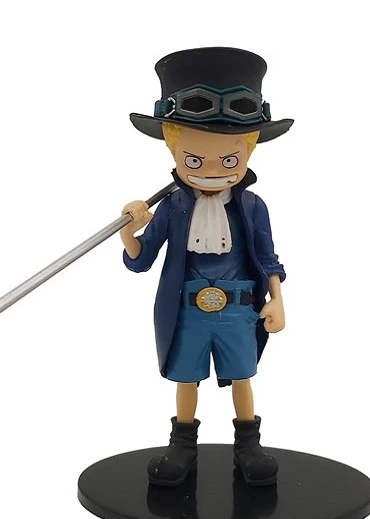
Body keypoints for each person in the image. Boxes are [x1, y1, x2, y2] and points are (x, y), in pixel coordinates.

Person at [120, 47, 293, 486]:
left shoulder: (251, 207)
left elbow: (267, 256)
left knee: (242, 376)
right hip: (188, 311)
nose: (212, 170)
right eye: (194, 160)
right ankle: (182, 446)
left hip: (238, 310)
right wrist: (129, 231)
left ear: (247, 153)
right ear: (174, 153)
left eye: (229, 160)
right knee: (186, 378)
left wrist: (277, 300)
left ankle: (248, 445)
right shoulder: (173, 208)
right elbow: (140, 260)